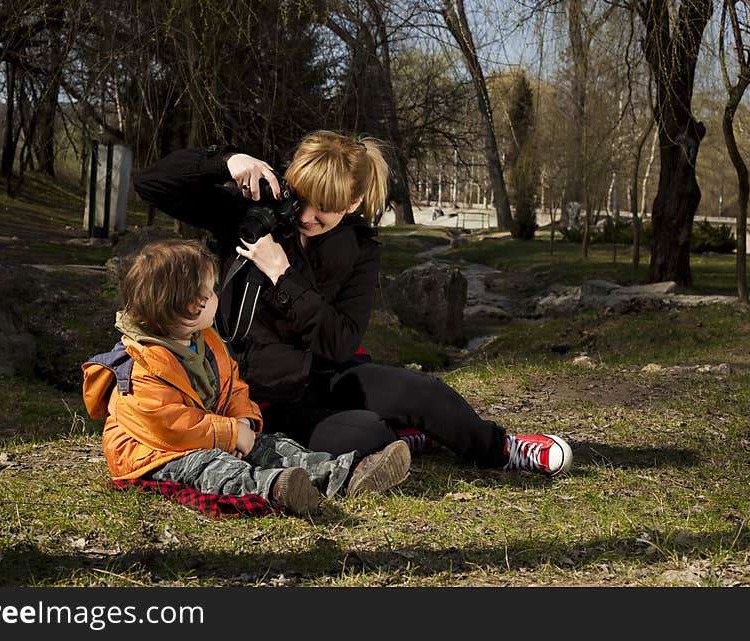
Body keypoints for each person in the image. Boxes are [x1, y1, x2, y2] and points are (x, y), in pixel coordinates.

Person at [133, 131, 572, 476]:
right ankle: (403, 435)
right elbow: (151, 183)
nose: (306, 216)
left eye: (325, 207)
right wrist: (228, 160)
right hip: (240, 394)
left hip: (317, 379)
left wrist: (282, 276)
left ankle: (503, 450)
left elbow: (340, 343)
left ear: (354, 202)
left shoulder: (359, 250)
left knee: (420, 389)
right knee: (366, 435)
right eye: (302, 198)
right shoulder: (253, 214)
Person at [81, 239, 411, 517]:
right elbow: (172, 426)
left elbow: (233, 384)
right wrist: (229, 435)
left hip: (217, 431)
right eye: (211, 291)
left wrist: (245, 422)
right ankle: (278, 489)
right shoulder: (137, 368)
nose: (216, 296)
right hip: (159, 454)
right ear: (194, 306)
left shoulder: (206, 339)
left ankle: (346, 475)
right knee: (212, 469)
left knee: (275, 445)